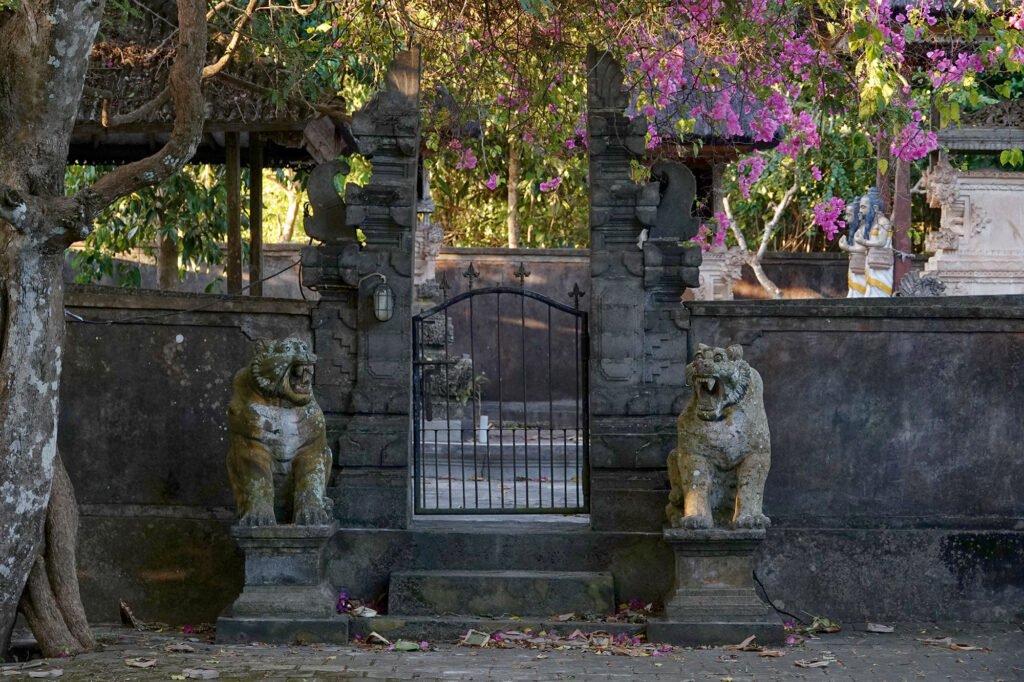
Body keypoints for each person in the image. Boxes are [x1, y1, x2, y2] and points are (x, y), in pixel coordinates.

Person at [855, 189, 894, 297]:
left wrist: (863, 242)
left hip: (882, 262)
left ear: (875, 208)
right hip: (872, 261)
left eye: (863, 207)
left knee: (879, 290)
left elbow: (881, 242)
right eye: (860, 207)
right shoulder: (871, 224)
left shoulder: (883, 222)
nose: (860, 210)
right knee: (870, 289)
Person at [838, 195, 868, 297]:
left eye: (848, 215)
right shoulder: (856, 230)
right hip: (855, 265)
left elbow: (863, 249)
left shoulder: (863, 229)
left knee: (858, 292)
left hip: (861, 266)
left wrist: (847, 247)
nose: (846, 218)